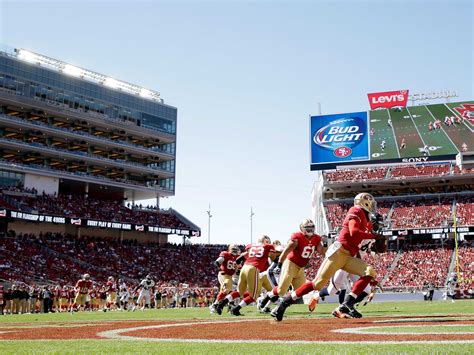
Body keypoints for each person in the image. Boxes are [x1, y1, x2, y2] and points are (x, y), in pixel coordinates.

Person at [272, 193, 383, 321]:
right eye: (371, 202)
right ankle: (285, 302)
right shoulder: (356, 210)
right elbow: (353, 232)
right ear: (364, 202)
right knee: (317, 284)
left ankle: (347, 304)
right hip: (339, 252)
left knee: (369, 272)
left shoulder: (366, 217)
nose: (373, 206)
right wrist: (374, 236)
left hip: (349, 256)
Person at [259, 219, 325, 314]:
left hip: (301, 268)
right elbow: (286, 251)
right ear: (302, 228)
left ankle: (273, 307)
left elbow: (321, 251)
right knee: (282, 290)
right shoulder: (297, 237)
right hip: (291, 264)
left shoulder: (317, 238)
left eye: (311, 227)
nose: (310, 230)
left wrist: (326, 244)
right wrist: (280, 264)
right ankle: (268, 298)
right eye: (307, 228)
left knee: (299, 292)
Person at [215, 235, 277, 316]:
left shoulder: (251, 246)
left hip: (244, 267)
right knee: (253, 296)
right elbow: (274, 257)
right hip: (253, 268)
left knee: (239, 292)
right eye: (268, 241)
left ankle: (223, 303)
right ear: (265, 241)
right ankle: (236, 309)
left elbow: (239, 259)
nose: (269, 242)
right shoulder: (269, 246)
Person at [209, 244, 241, 314]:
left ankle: (217, 306)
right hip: (223, 274)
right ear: (229, 249)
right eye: (233, 249)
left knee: (225, 292)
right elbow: (217, 262)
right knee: (228, 290)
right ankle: (214, 306)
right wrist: (219, 267)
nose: (235, 251)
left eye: (236, 249)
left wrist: (238, 270)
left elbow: (238, 268)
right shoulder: (226, 254)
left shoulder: (237, 258)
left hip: (230, 276)